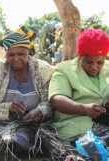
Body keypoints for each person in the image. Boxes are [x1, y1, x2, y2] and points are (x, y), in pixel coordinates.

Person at [0, 26, 54, 161]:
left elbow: (50, 102)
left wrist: (39, 111)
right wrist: (9, 107)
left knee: (23, 136)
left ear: (28, 52)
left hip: (31, 125)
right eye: (11, 55)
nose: (15, 59)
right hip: (2, 123)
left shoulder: (43, 70)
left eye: (20, 54)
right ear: (5, 54)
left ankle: (1, 150)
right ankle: (0, 146)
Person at [47, 28, 109, 160]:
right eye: (89, 62)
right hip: (76, 128)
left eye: (100, 63)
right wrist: (84, 108)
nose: (94, 67)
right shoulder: (65, 69)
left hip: (105, 124)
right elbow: (57, 99)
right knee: (91, 148)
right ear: (80, 55)